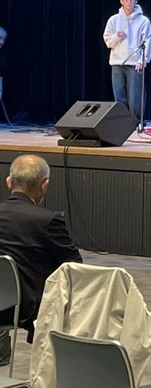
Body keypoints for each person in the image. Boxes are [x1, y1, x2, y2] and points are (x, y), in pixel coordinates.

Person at [0, 155, 82, 361]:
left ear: (9, 182)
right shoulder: (48, 221)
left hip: (5, 304)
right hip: (29, 308)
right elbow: (74, 266)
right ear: (44, 185)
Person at [102, 0, 151, 122]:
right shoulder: (113, 20)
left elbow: (147, 42)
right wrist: (117, 37)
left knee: (135, 96)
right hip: (117, 62)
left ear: (136, 1)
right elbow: (107, 41)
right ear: (121, 1)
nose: (129, 2)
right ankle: (122, 122)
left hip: (135, 63)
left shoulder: (143, 21)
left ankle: (136, 122)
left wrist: (143, 60)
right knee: (119, 95)